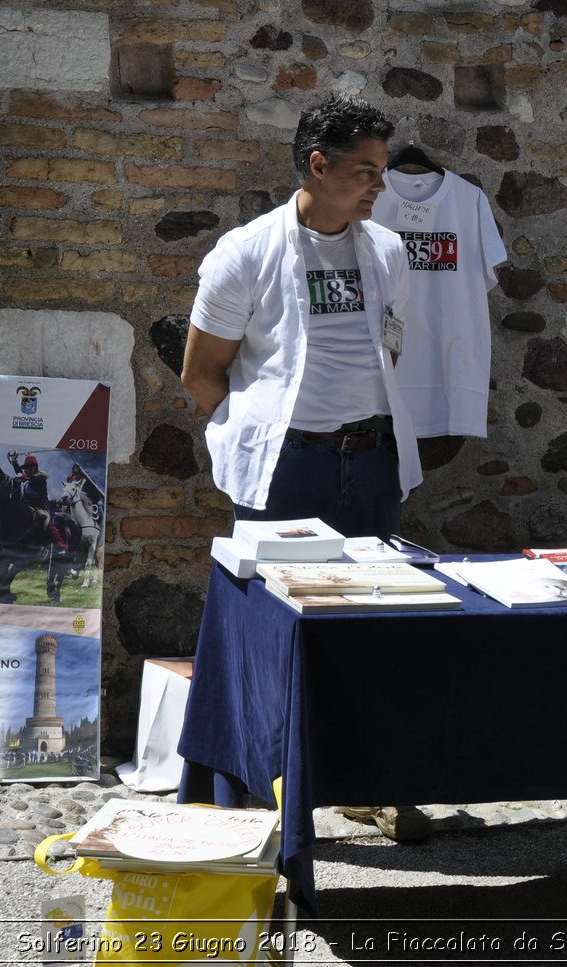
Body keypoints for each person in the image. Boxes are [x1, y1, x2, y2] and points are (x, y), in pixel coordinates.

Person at [181, 94, 426, 842]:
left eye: (380, 170)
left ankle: (370, 783)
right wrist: (261, 439)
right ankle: (264, 800)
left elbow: (390, 348)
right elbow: (202, 374)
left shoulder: (386, 250)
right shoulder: (245, 253)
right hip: (290, 469)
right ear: (316, 166)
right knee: (276, 634)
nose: (377, 185)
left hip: (372, 460)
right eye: (363, 170)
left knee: (377, 628)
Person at [9, 451, 68, 552]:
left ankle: (61, 546)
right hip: (27, 505)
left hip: (41, 505)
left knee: (46, 521)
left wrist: (23, 476)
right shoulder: (28, 476)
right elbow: (19, 472)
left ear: (33, 467)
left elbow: (31, 479)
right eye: (25, 467)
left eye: (27, 467)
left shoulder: (40, 477)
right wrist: (14, 460)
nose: (25, 469)